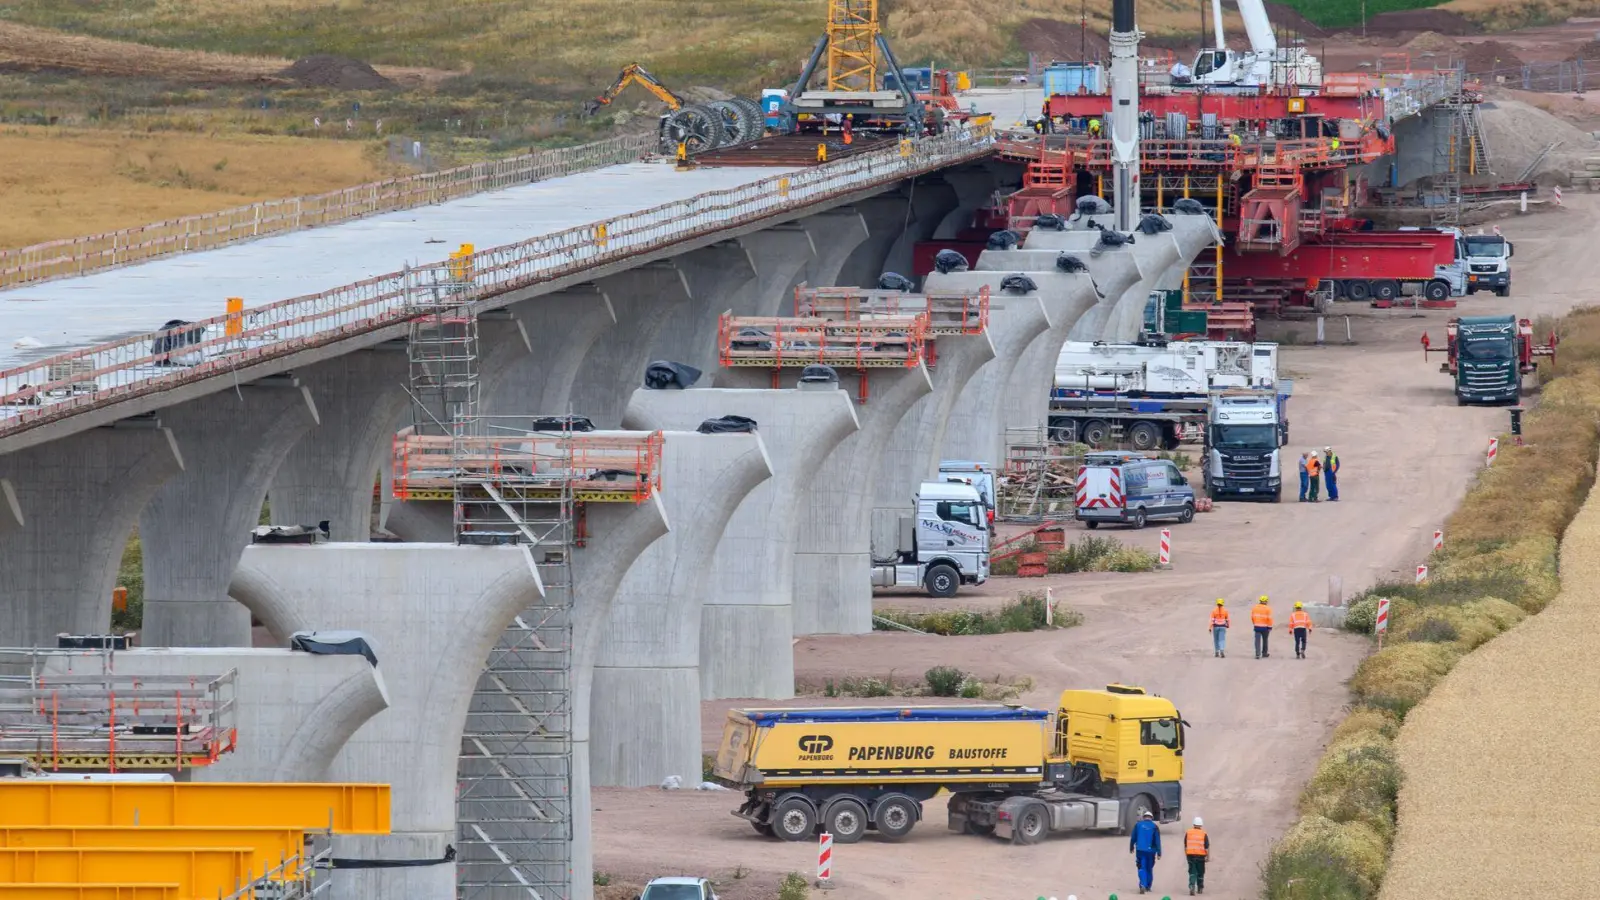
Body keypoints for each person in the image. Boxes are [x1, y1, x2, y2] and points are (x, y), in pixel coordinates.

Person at [1130, 808, 1162, 894]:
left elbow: (1133, 837)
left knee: (1141, 867)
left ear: (1144, 817)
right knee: (1149, 868)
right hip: (1151, 851)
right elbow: (1157, 841)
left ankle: (1142, 885)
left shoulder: (1138, 825)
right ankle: (1148, 886)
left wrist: (1131, 847)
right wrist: (1159, 853)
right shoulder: (1155, 827)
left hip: (1140, 850)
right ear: (1151, 818)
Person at [1185, 816, 1210, 896]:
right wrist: (1208, 857)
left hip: (1190, 855)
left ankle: (1192, 886)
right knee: (1200, 872)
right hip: (1201, 856)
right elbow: (1206, 847)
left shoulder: (1188, 832)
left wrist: (1186, 854)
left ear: (1194, 824)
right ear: (1201, 825)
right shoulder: (1204, 834)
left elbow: (1186, 845)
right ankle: (1200, 887)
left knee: (1192, 871)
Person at [1251, 595, 1273, 659]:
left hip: (1257, 626)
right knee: (1265, 640)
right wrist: (1270, 627)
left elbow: (1252, 617)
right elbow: (1270, 619)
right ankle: (1264, 653)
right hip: (1265, 627)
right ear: (1266, 601)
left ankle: (1257, 654)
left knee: (1257, 641)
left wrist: (1255, 623)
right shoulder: (1268, 608)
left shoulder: (1255, 608)